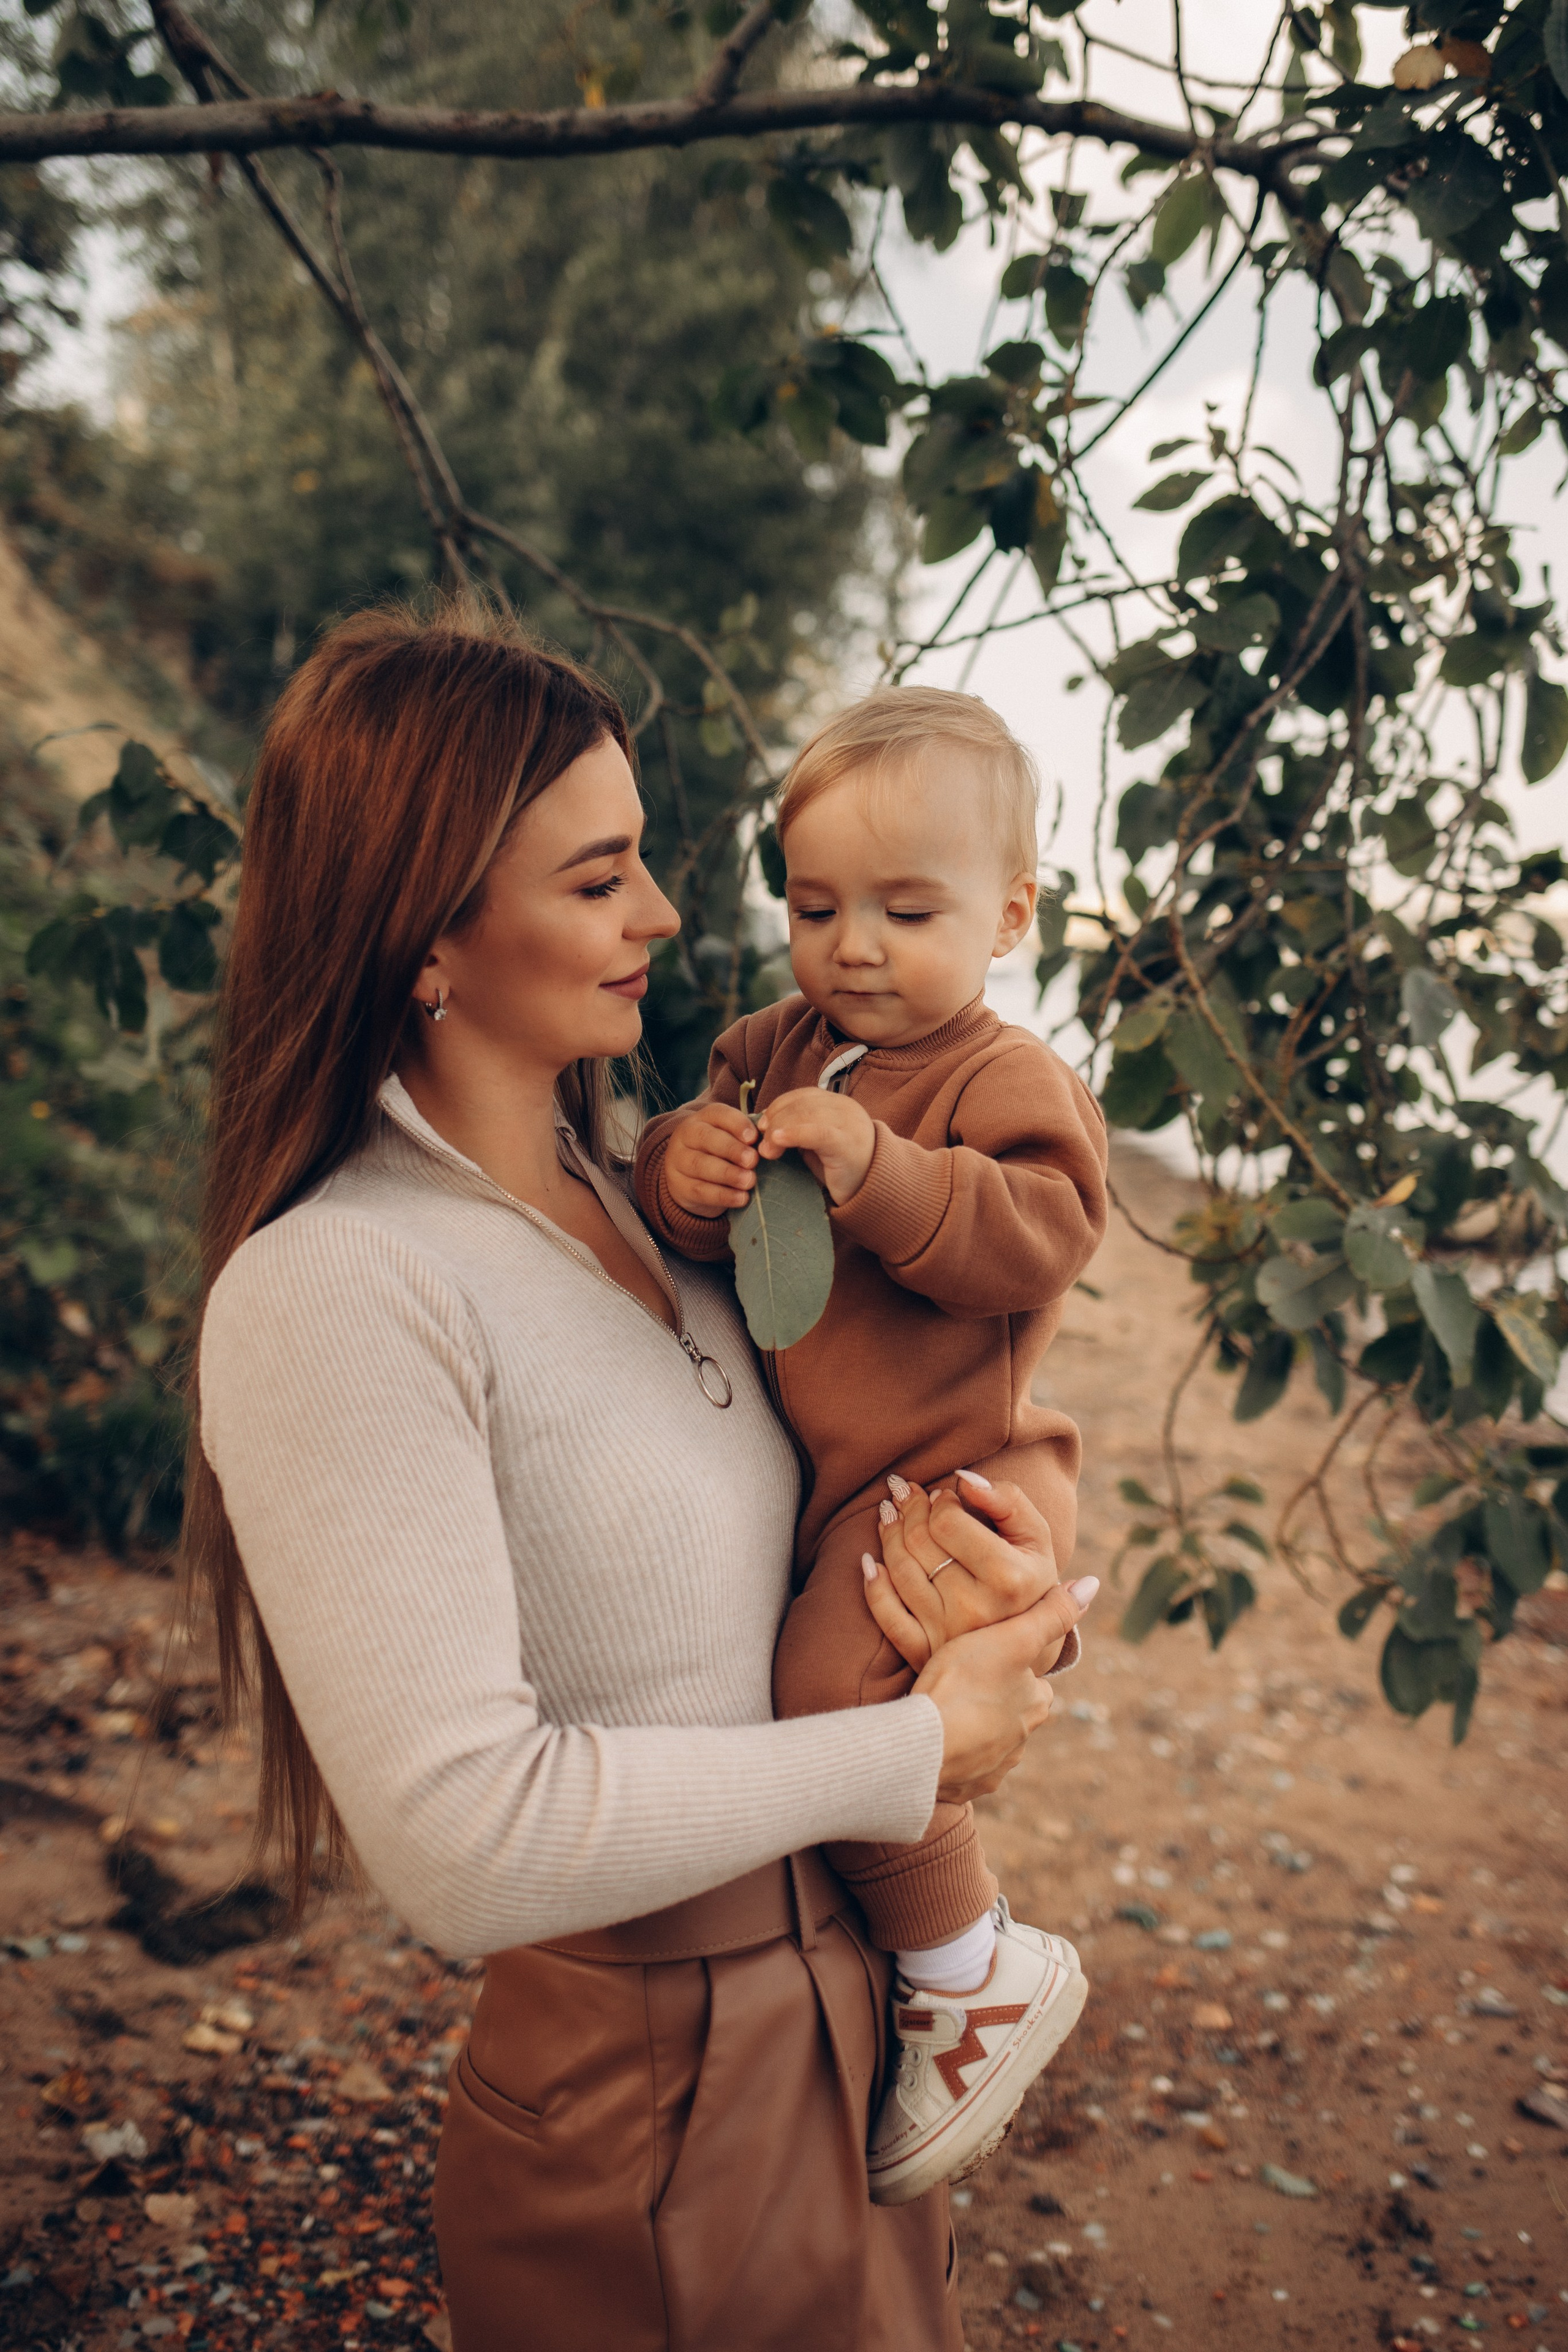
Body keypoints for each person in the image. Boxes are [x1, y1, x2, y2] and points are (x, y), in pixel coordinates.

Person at [186, 602, 1097, 2352]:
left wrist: (989, 1614)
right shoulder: (343, 1283)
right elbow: (460, 1846)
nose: (672, 918)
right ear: (428, 933)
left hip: (853, 2018)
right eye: (602, 879)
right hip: (649, 2086)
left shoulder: (649, 1199)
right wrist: (918, 1752)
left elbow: (866, 1470)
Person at [633, 687, 1109, 2204]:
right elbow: (686, 1206)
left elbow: (1039, 1237)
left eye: (907, 910)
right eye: (817, 902)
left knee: (828, 1687)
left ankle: (968, 1968)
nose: (851, 946)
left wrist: (887, 1173)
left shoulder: (999, 1076)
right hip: (834, 1469)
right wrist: (680, 1168)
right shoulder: (768, 1045)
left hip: (949, 1471)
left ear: (1008, 916)